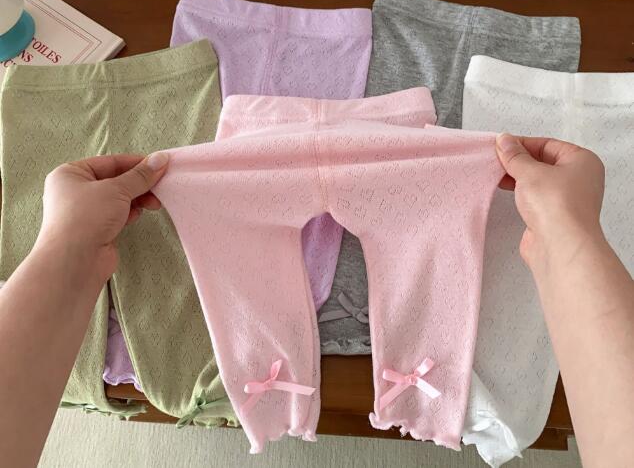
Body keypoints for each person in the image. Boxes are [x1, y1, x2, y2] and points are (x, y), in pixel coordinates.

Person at [0, 137, 632, 467]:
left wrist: (68, 249)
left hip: (379, 151)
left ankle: (403, 394)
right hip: (255, 153)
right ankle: (324, 395)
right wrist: (569, 233)